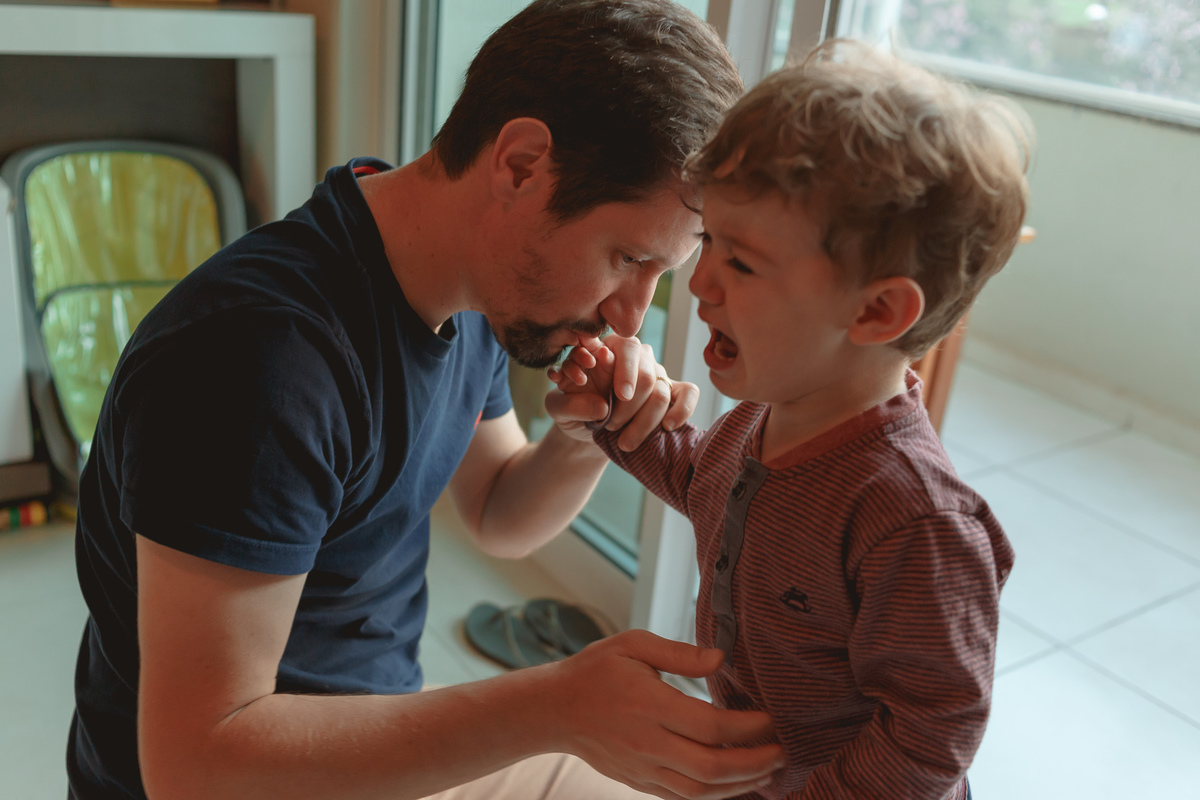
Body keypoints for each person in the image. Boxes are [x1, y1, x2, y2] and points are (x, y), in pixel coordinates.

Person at [66, 2, 793, 799]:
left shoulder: (465, 290)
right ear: (520, 164)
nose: (630, 315)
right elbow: (198, 765)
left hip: (377, 752)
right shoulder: (258, 362)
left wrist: (585, 440)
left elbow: (496, 512)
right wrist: (551, 707)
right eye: (626, 257)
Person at [549, 39, 1031, 799]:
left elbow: (933, 731)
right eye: (709, 239)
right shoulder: (767, 419)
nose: (700, 281)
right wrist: (615, 413)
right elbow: (704, 481)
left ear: (876, 310)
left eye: (739, 261)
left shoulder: (914, 519)